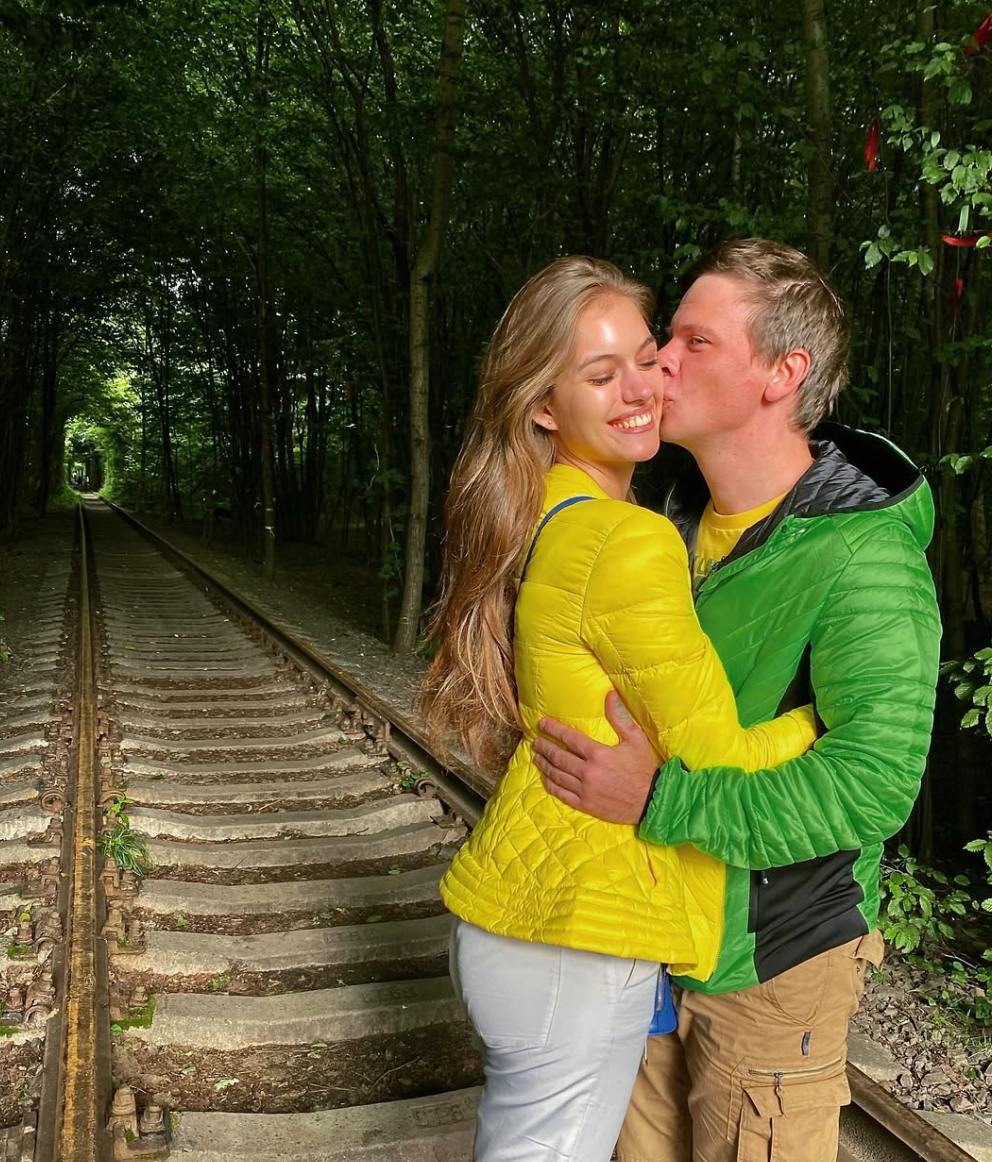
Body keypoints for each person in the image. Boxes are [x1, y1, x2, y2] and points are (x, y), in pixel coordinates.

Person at [534, 238, 943, 1162]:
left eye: (695, 341)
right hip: (643, 937)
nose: (661, 362)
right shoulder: (663, 523)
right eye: (665, 338)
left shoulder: (862, 553)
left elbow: (873, 786)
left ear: (781, 374)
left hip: (770, 960)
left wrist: (660, 801)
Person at [420, 255, 819, 1162]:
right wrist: (819, 720)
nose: (642, 389)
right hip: (576, 940)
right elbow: (715, 757)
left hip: (525, 918)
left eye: (646, 358)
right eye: (601, 376)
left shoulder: (541, 512)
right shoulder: (627, 540)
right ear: (543, 405)